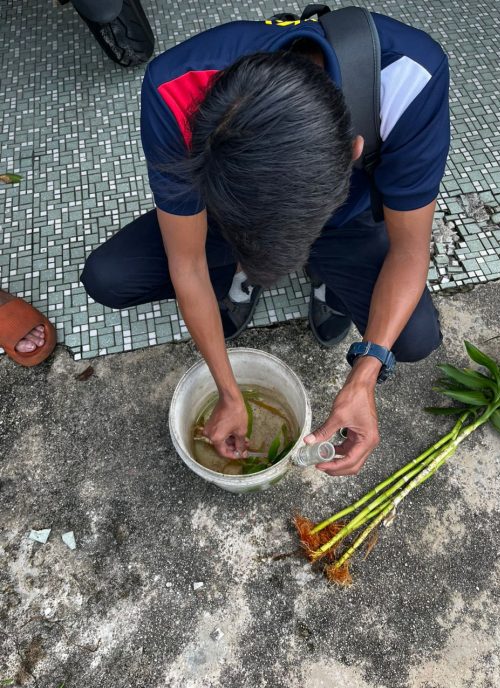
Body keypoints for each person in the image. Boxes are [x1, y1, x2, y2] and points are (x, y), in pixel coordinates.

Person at [81, 10, 449, 476]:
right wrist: (227, 391)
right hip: (225, 220)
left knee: (413, 338)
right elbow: (187, 261)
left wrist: (365, 373)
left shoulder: (410, 76)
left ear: (354, 150)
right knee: (109, 277)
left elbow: (409, 250)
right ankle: (245, 265)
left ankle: (327, 277)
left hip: (346, 223)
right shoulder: (175, 87)